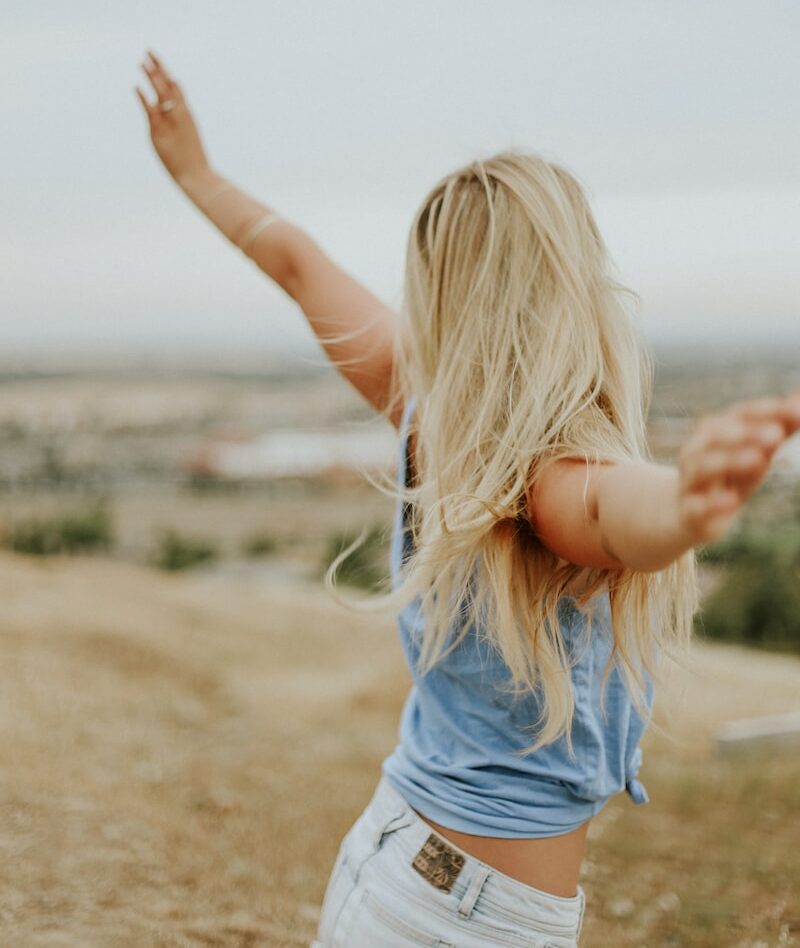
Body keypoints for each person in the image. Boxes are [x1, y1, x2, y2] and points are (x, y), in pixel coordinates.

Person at [135, 50, 800, 947]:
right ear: (573, 288)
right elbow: (610, 512)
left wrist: (197, 172)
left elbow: (297, 264)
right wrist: (685, 504)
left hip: (398, 865)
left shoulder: (429, 415)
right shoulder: (541, 477)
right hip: (458, 919)